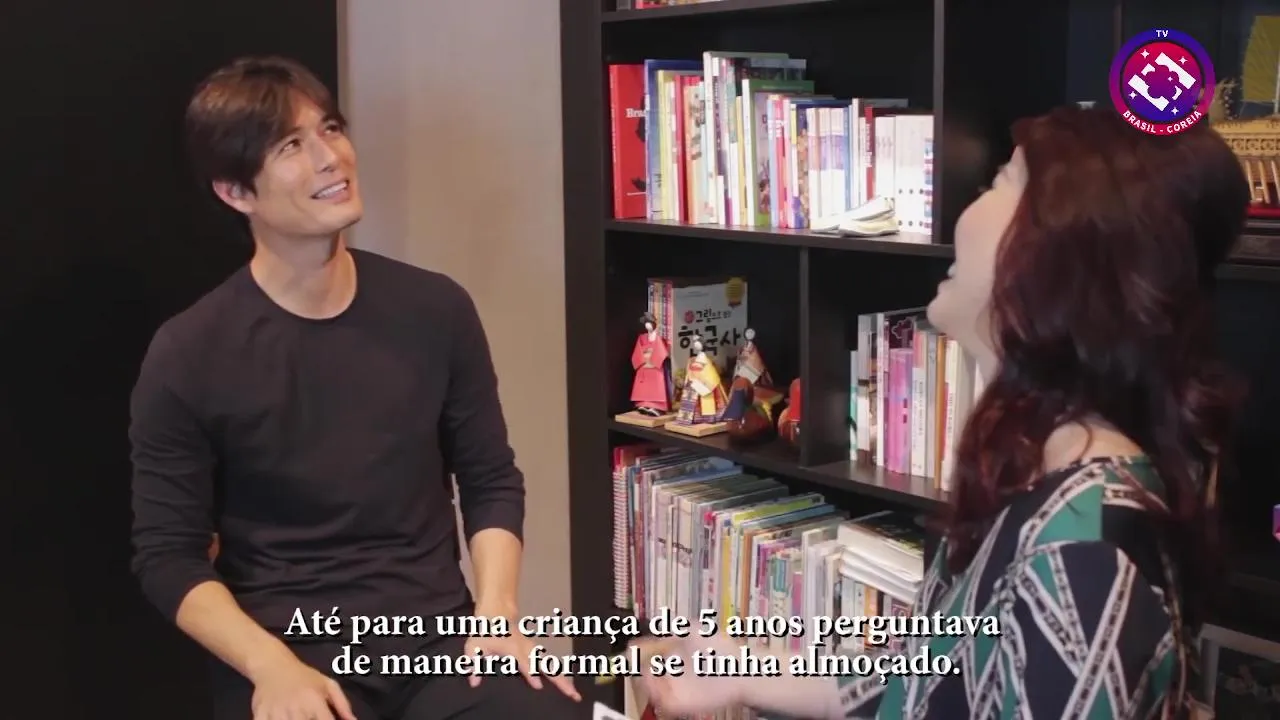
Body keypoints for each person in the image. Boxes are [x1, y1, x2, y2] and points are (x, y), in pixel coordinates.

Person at [633, 106, 1249, 718]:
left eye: (1001, 182)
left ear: (1065, 252)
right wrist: (740, 670)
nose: (965, 211)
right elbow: (932, 674)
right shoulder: (1043, 474)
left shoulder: (1083, 561)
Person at [129, 56, 582, 720]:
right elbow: (168, 556)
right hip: (289, 651)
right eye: (291, 146)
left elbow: (490, 478)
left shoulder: (435, 309)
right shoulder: (188, 352)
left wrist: (497, 610)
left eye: (331, 129)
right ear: (235, 192)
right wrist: (270, 667)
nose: (330, 158)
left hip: (436, 643)